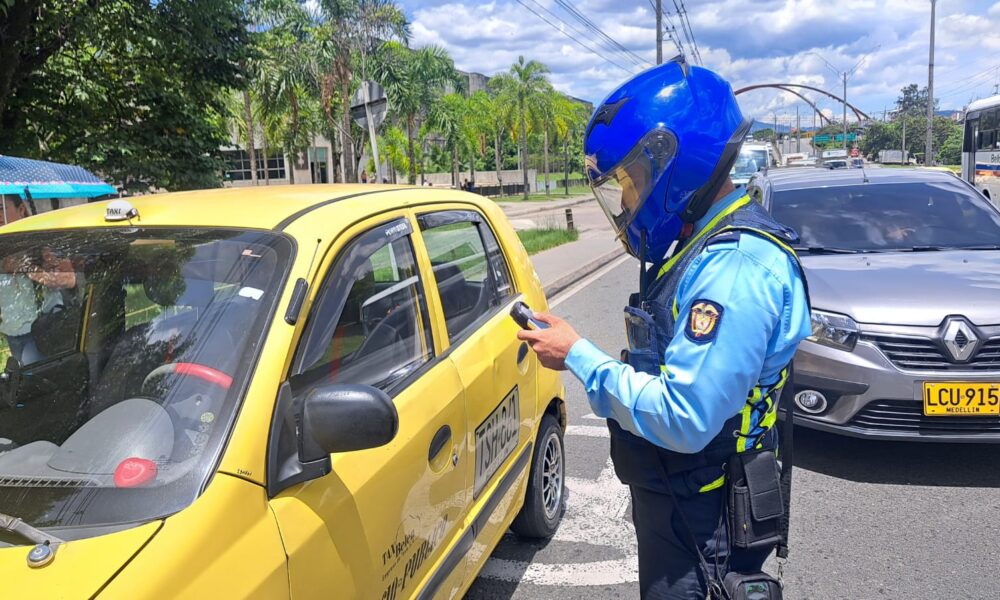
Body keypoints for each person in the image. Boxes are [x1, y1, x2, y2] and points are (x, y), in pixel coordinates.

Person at [518, 57, 811, 599]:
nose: (628, 201)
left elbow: (686, 416)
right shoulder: (703, 246)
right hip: (686, 500)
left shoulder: (735, 268)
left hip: (708, 519)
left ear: (676, 161)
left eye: (633, 182)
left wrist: (578, 354)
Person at [0, 196, 77, 365]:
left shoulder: (40, 242)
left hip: (43, 328)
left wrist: (28, 268)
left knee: (39, 379)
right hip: (11, 329)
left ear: (21, 210)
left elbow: (70, 279)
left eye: (1, 208)